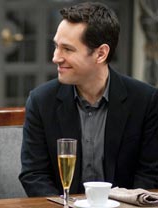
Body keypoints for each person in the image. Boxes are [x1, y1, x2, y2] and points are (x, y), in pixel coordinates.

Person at [19, 2, 158, 197]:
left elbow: (149, 175)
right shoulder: (41, 101)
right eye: (56, 46)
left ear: (101, 53)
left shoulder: (146, 101)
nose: (56, 57)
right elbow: (34, 175)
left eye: (67, 49)